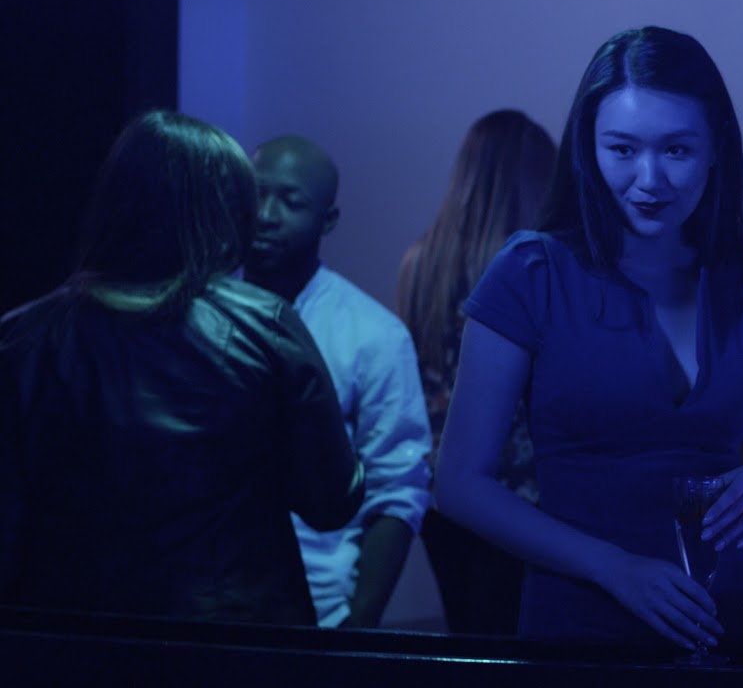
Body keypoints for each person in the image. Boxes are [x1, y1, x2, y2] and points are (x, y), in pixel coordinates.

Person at [433, 26, 743, 648]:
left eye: (677, 150)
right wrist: (614, 568)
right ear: (589, 148)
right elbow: (459, 485)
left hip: (730, 620)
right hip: (582, 623)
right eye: (623, 149)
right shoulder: (533, 272)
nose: (650, 178)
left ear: (716, 148)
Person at [0, 110, 364, 623]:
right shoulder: (265, 326)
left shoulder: (24, 336)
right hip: (233, 640)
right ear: (224, 211)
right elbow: (332, 503)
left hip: (71, 641)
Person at [245, 135, 432, 629]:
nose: (266, 215)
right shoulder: (201, 310)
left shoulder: (372, 334)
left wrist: (359, 623)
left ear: (328, 220)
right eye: (256, 194)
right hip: (207, 606)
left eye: (291, 201)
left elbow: (399, 488)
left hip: (322, 609)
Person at [395, 110, 556, 635]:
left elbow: (416, 367)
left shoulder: (421, 261)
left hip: (440, 487)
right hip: (520, 495)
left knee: (465, 635)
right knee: (518, 645)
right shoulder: (531, 269)